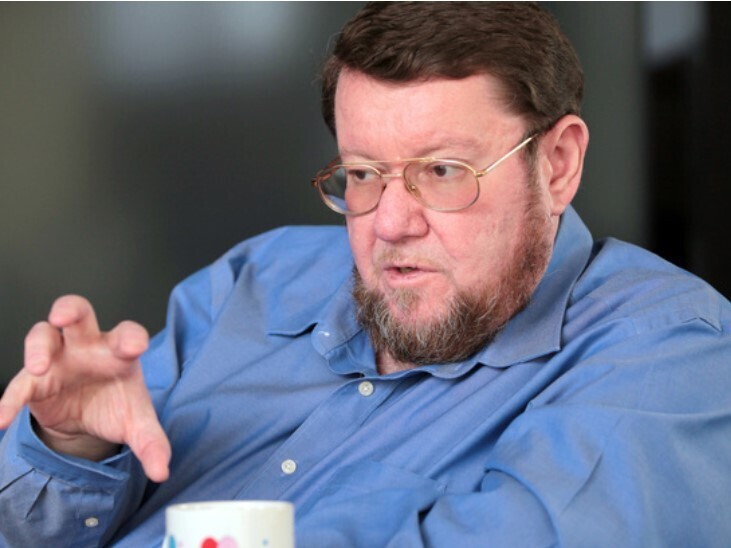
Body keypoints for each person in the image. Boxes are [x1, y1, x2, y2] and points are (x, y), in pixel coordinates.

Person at [1, 2, 730, 546]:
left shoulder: (665, 350)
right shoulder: (258, 278)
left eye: (442, 171)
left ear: (559, 164)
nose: (389, 223)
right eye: (362, 174)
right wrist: (75, 448)